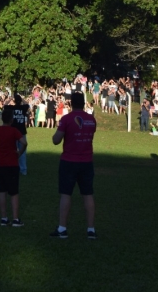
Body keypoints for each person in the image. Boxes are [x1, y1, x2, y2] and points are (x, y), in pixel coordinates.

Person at [50, 91, 97, 240]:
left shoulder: (66, 119)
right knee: (88, 194)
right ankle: (90, 229)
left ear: (71, 103)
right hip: (87, 161)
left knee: (66, 194)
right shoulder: (91, 120)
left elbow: (56, 140)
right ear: (83, 103)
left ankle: (62, 228)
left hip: (69, 161)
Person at [11, 93, 30, 176]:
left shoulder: (12, 108)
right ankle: (23, 169)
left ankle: (14, 168)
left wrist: (10, 99)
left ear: (14, 101)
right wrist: (22, 99)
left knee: (13, 151)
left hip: (13, 132)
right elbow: (28, 104)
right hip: (22, 132)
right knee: (23, 152)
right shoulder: (23, 108)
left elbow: (4, 105)